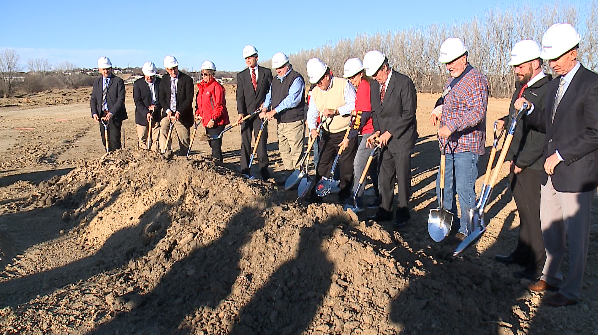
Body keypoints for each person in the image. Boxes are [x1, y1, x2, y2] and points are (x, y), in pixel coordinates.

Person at [516, 23, 598, 307]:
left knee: (577, 237)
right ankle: (551, 275)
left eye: (557, 58)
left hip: (576, 173)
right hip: (549, 172)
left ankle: (572, 290)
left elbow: (594, 133)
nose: (552, 63)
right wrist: (527, 111)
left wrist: (561, 155)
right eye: (550, 58)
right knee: (550, 227)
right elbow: (545, 122)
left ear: (573, 53)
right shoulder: (554, 84)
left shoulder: (591, 84)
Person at [493, 40, 549, 281]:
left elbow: (543, 134)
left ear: (535, 63)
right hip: (516, 157)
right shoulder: (523, 86)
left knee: (532, 214)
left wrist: (522, 161)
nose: (516, 69)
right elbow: (519, 115)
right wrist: (506, 119)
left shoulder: (547, 89)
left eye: (520, 65)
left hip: (532, 164)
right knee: (523, 211)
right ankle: (521, 253)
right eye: (515, 65)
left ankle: (538, 264)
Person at [429, 38, 487, 239]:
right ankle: (449, 223)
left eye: (452, 61)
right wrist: (438, 110)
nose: (448, 66)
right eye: (446, 62)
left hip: (466, 145)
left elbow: (477, 112)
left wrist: (451, 126)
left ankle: (468, 229)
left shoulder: (475, 79)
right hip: (449, 146)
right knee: (443, 186)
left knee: (464, 189)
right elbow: (447, 100)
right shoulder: (451, 80)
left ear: (464, 57)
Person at [363, 50, 417, 228]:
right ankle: (385, 209)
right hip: (384, 138)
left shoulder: (403, 82)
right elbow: (375, 112)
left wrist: (390, 132)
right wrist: (378, 131)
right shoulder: (373, 86)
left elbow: (409, 114)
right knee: (384, 175)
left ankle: (403, 210)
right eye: (372, 75)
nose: (376, 78)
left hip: (401, 137)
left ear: (385, 67)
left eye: (377, 73)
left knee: (402, 175)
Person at [306, 58, 357, 203]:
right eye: (315, 82)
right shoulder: (316, 91)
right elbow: (312, 113)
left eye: (320, 81)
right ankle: (317, 194)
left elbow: (354, 105)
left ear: (327, 76)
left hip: (345, 132)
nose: (318, 85)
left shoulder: (343, 84)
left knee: (346, 167)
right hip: (327, 134)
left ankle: (344, 195)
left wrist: (336, 111)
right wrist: (313, 129)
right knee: (322, 164)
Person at [340, 58, 379, 211]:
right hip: (369, 131)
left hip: (370, 132)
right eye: (349, 78)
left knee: (359, 164)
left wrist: (349, 138)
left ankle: (356, 200)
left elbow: (361, 116)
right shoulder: (362, 87)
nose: (352, 80)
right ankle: (380, 197)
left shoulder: (363, 87)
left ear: (361, 74)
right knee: (374, 168)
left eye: (354, 77)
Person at [261, 52, 305, 177]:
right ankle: (289, 174)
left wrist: (273, 111)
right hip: (281, 122)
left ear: (287, 65)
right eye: (276, 69)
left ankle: (298, 177)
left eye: (280, 68)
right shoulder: (275, 80)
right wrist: (265, 108)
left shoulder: (296, 78)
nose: (278, 71)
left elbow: (292, 100)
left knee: (296, 151)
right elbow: (270, 95)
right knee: (284, 150)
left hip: (294, 121)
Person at [236, 45, 273, 179]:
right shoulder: (241, 76)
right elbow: (239, 96)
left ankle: (264, 170)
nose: (248, 60)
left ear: (256, 57)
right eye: (246, 58)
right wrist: (241, 112)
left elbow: (271, 91)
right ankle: (245, 169)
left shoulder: (266, 72)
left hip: (260, 113)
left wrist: (267, 106)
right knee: (245, 142)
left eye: (250, 57)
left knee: (261, 142)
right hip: (246, 114)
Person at [158, 55, 194, 156]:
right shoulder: (164, 80)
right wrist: (168, 110)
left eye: (175, 68)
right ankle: (166, 153)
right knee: (164, 128)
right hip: (168, 114)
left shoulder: (187, 80)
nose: (173, 71)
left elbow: (188, 99)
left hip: (182, 115)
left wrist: (179, 111)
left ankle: (184, 158)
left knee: (184, 139)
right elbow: (162, 98)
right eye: (170, 69)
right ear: (166, 69)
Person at [196, 60, 230, 163]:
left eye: (205, 74)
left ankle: (218, 164)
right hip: (207, 121)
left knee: (215, 145)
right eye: (202, 74)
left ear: (212, 74)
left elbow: (219, 106)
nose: (204, 76)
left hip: (216, 121)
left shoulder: (216, 87)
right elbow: (200, 104)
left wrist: (213, 119)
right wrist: (198, 113)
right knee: (211, 143)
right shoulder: (202, 87)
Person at [90, 57, 127, 152]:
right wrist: (94, 113)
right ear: (99, 70)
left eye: (107, 69)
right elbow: (93, 99)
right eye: (103, 69)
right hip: (102, 115)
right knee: (105, 140)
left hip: (114, 116)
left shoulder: (118, 81)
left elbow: (120, 99)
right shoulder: (97, 82)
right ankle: (109, 158)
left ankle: (117, 160)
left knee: (114, 140)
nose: (106, 71)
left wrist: (111, 112)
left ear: (111, 68)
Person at [133, 61, 161, 151]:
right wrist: (146, 113)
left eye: (152, 75)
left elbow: (163, 99)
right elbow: (137, 101)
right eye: (147, 75)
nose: (149, 77)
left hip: (156, 116)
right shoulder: (138, 84)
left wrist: (156, 107)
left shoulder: (160, 83)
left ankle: (154, 158)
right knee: (142, 141)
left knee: (155, 140)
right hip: (142, 116)